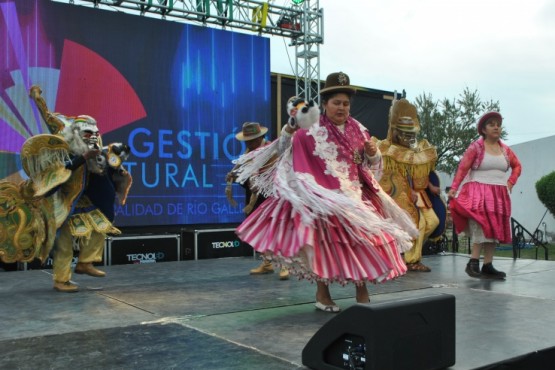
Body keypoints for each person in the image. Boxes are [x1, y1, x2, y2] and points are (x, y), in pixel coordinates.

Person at [233, 72, 418, 312]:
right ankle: (323, 293)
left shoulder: (359, 130)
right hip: (322, 197)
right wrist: (290, 127)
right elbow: (282, 147)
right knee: (323, 244)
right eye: (336, 103)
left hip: (353, 198)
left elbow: (369, 166)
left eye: (346, 103)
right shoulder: (311, 128)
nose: (342, 107)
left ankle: (362, 292)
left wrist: (373, 153)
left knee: (364, 241)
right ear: (324, 104)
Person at [28, 86, 132, 292]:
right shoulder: (64, 142)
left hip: (87, 197)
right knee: (64, 239)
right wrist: (37, 98)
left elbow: (103, 168)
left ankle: (86, 262)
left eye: (96, 133)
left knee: (103, 224)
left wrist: (117, 171)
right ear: (77, 132)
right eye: (88, 133)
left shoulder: (95, 144)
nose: (93, 136)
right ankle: (61, 279)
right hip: (65, 198)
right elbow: (62, 167)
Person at [447, 111, 522, 279]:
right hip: (478, 192)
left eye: (498, 124)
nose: (496, 127)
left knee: (494, 228)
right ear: (484, 129)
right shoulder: (476, 147)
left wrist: (510, 182)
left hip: (499, 195)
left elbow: (517, 167)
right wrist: (454, 187)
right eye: (492, 124)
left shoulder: (506, 150)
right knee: (481, 225)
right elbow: (463, 168)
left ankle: (488, 265)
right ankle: (473, 262)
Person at [374, 98, 440, 272]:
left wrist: (430, 187)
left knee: (432, 222)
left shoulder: (417, 150)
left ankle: (409, 254)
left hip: (419, 195)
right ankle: (410, 259)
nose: (410, 137)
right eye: (405, 133)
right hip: (400, 197)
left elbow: (421, 176)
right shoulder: (386, 149)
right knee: (419, 225)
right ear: (395, 131)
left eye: (412, 133)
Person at [226, 121, 290, 280]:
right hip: (255, 198)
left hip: (272, 197)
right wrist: (236, 177)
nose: (248, 143)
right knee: (261, 231)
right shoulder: (248, 154)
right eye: (247, 140)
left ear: (259, 137)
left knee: (275, 231)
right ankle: (267, 263)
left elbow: (279, 174)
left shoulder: (272, 152)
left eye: (251, 139)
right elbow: (247, 179)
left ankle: (284, 265)